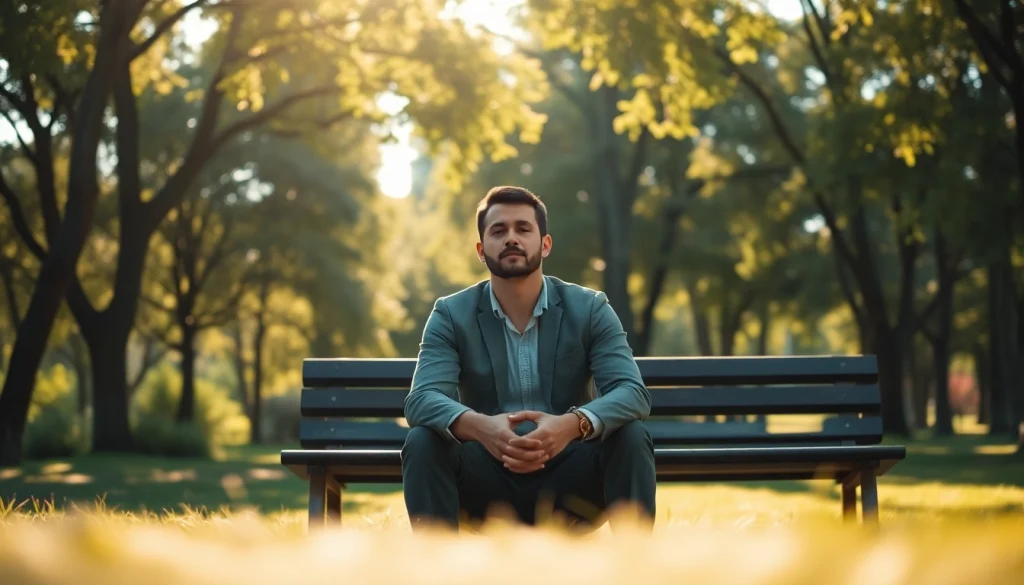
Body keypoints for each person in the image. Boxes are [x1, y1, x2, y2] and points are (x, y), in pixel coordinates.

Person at [400, 185, 656, 532]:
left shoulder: (591, 308)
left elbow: (632, 393)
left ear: (545, 244)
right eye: (498, 231)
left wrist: (571, 425)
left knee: (632, 435)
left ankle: (635, 559)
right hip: (483, 483)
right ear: (481, 250)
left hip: (573, 478)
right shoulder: (450, 314)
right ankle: (435, 561)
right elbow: (421, 400)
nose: (511, 238)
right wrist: (483, 429)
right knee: (422, 440)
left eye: (523, 228)